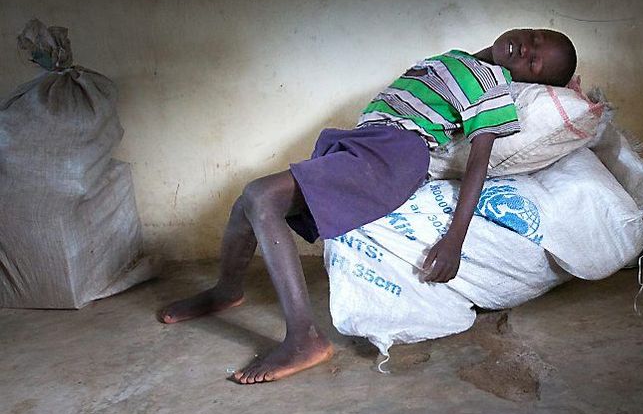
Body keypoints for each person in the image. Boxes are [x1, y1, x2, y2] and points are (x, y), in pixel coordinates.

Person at [156, 28, 577, 384]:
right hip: (365, 142)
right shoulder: (456, 59)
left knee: (260, 196)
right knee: (248, 202)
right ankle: (227, 289)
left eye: (536, 62)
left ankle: (304, 339)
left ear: (531, 81)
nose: (528, 48)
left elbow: (479, 163)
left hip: (394, 155)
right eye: (536, 37)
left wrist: (455, 240)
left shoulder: (492, 85)